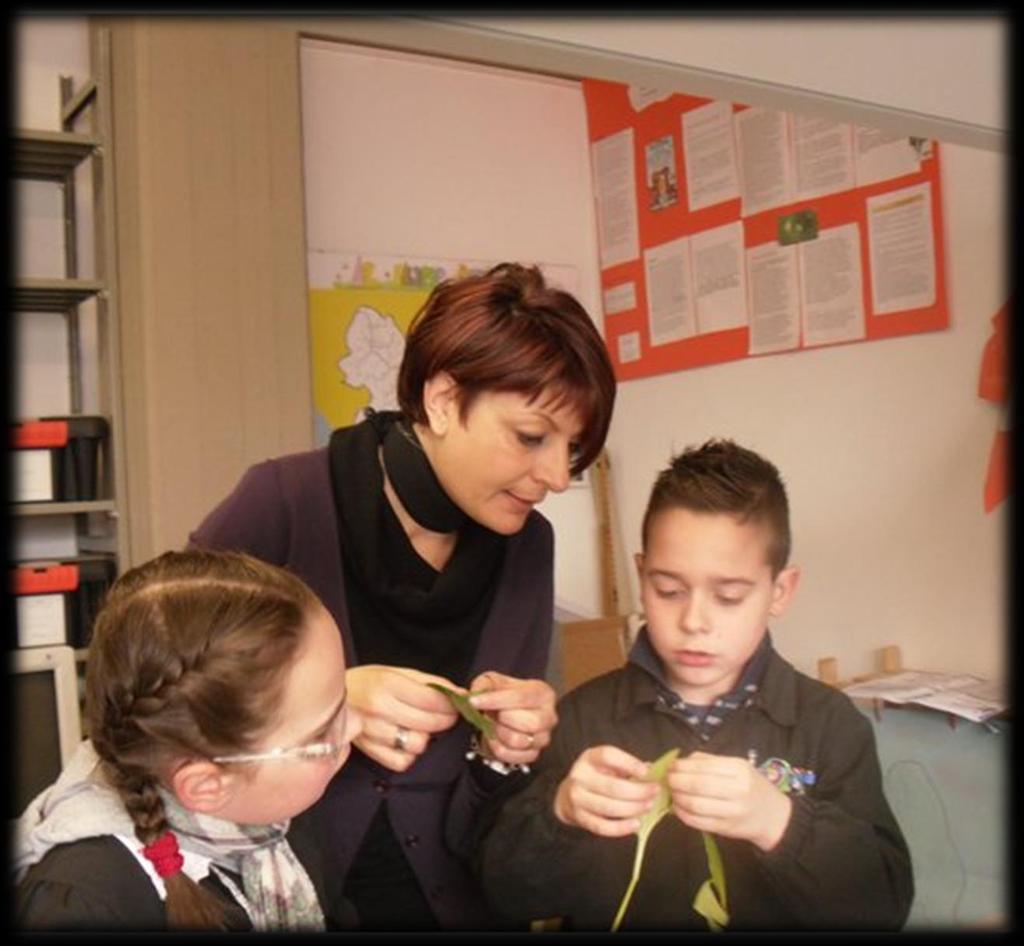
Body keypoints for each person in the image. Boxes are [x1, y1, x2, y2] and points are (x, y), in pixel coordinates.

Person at [188, 262, 618, 929]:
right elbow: (158, 675)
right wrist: (331, 699)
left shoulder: (528, 547)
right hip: (286, 890)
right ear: (444, 399)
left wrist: (508, 749)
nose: (559, 476)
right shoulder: (284, 503)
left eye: (575, 447)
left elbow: (500, 807)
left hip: (459, 896)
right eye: (533, 437)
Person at [478, 439, 914, 930]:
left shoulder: (829, 725)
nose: (695, 621)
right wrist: (561, 813)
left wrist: (780, 822)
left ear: (780, 591)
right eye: (669, 591)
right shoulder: (583, 718)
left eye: (728, 596)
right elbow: (507, 892)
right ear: (642, 577)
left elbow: (884, 905)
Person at [13, 548, 363, 931]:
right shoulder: (86, 904)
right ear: (207, 786)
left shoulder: (274, 809)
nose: (355, 727)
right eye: (320, 737)